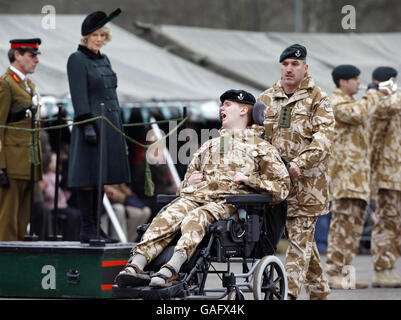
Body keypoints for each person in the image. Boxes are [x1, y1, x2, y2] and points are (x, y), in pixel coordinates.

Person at [115, 89, 291, 288]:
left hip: (229, 205)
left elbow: (282, 188)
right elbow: (184, 185)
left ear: (243, 110)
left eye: (227, 104)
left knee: (196, 217)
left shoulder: (262, 148)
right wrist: (187, 184)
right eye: (222, 104)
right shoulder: (210, 145)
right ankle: (136, 265)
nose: (221, 108)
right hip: (195, 197)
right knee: (167, 215)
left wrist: (250, 180)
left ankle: (172, 268)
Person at [257, 44, 334, 300]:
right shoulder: (266, 99)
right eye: (286, 64)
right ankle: (319, 290)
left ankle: (285, 294)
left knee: (299, 240)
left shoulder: (318, 99)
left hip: (308, 187)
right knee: (303, 240)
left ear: (305, 68)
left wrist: (299, 163)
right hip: (276, 186)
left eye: (295, 64)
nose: (289, 69)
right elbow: (253, 138)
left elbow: (323, 140)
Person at [66, 8, 131, 243]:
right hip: (91, 127)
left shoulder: (104, 58)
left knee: (101, 178)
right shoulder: (77, 59)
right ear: (86, 37)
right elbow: (79, 95)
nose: (99, 40)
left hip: (109, 125)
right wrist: (86, 124)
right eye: (95, 35)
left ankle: (97, 229)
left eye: (103, 35)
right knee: (88, 177)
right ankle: (87, 228)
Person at [325, 64, 382, 289]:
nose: (359, 83)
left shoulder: (355, 103)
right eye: (355, 80)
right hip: (344, 179)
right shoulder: (336, 102)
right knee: (342, 228)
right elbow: (359, 115)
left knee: (354, 229)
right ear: (343, 82)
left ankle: (345, 275)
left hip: (358, 179)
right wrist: (373, 92)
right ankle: (333, 273)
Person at [0, 38, 42, 241]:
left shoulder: (28, 85)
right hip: (11, 161)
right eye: (31, 56)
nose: (36, 60)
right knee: (7, 219)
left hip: (27, 162)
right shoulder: (5, 83)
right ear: (17, 55)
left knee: (22, 219)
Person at [368, 66, 401, 288]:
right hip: (387, 175)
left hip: (395, 173)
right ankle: (382, 269)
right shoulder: (379, 102)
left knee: (394, 223)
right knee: (387, 223)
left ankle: (389, 267)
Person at [40, 152, 81, 241]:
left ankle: (76, 239)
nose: (55, 163)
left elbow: (65, 196)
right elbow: (50, 196)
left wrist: (65, 188)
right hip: (52, 206)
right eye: (53, 161)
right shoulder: (44, 177)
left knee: (78, 214)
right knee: (73, 215)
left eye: (57, 161)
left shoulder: (59, 176)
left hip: (62, 205)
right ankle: (70, 240)